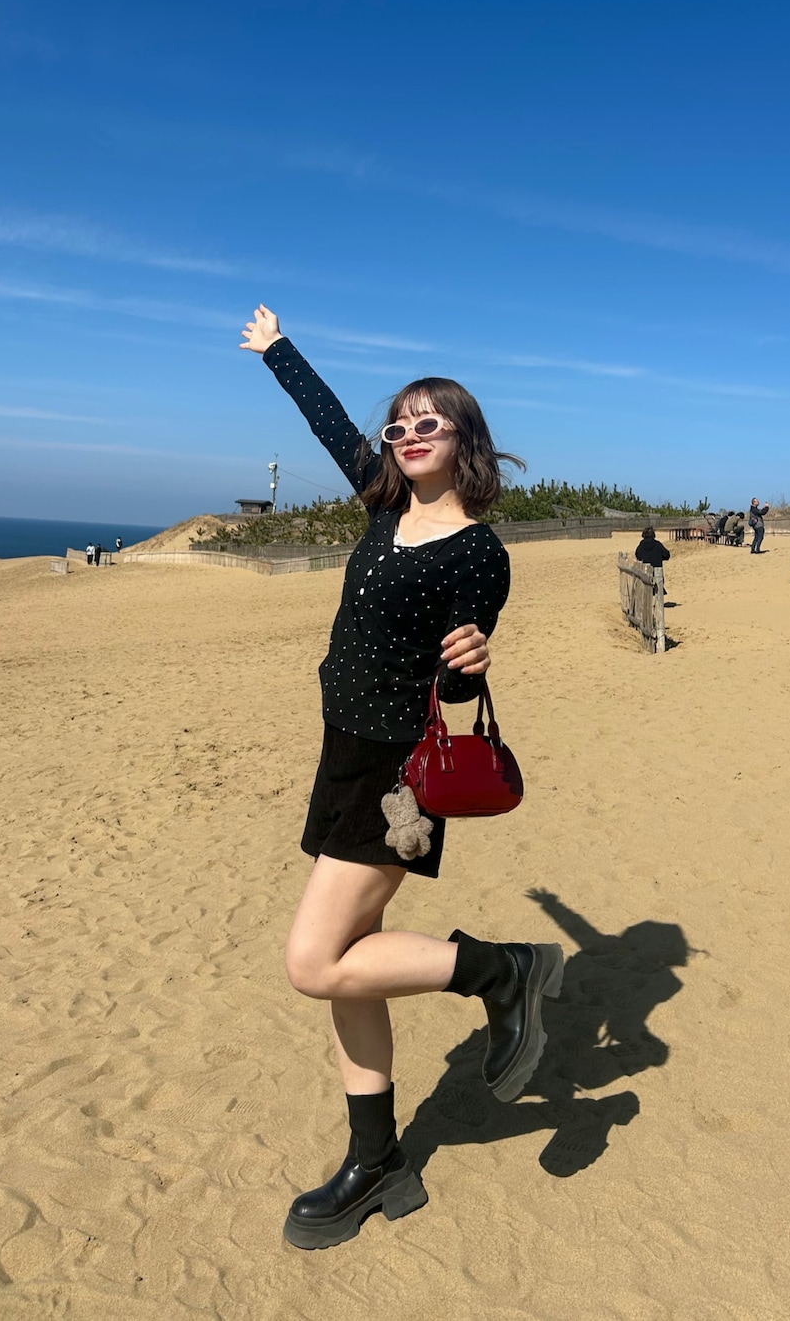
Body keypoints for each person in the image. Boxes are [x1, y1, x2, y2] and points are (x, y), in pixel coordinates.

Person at [240, 304, 564, 1251]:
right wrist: (280, 352)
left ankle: (505, 971)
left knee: (313, 962)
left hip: (397, 774)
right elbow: (329, 423)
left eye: (432, 422)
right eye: (400, 424)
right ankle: (376, 1158)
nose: (411, 434)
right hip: (341, 750)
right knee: (352, 964)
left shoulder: (480, 552)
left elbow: (455, 684)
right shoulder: (384, 508)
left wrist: (472, 659)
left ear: (465, 441)